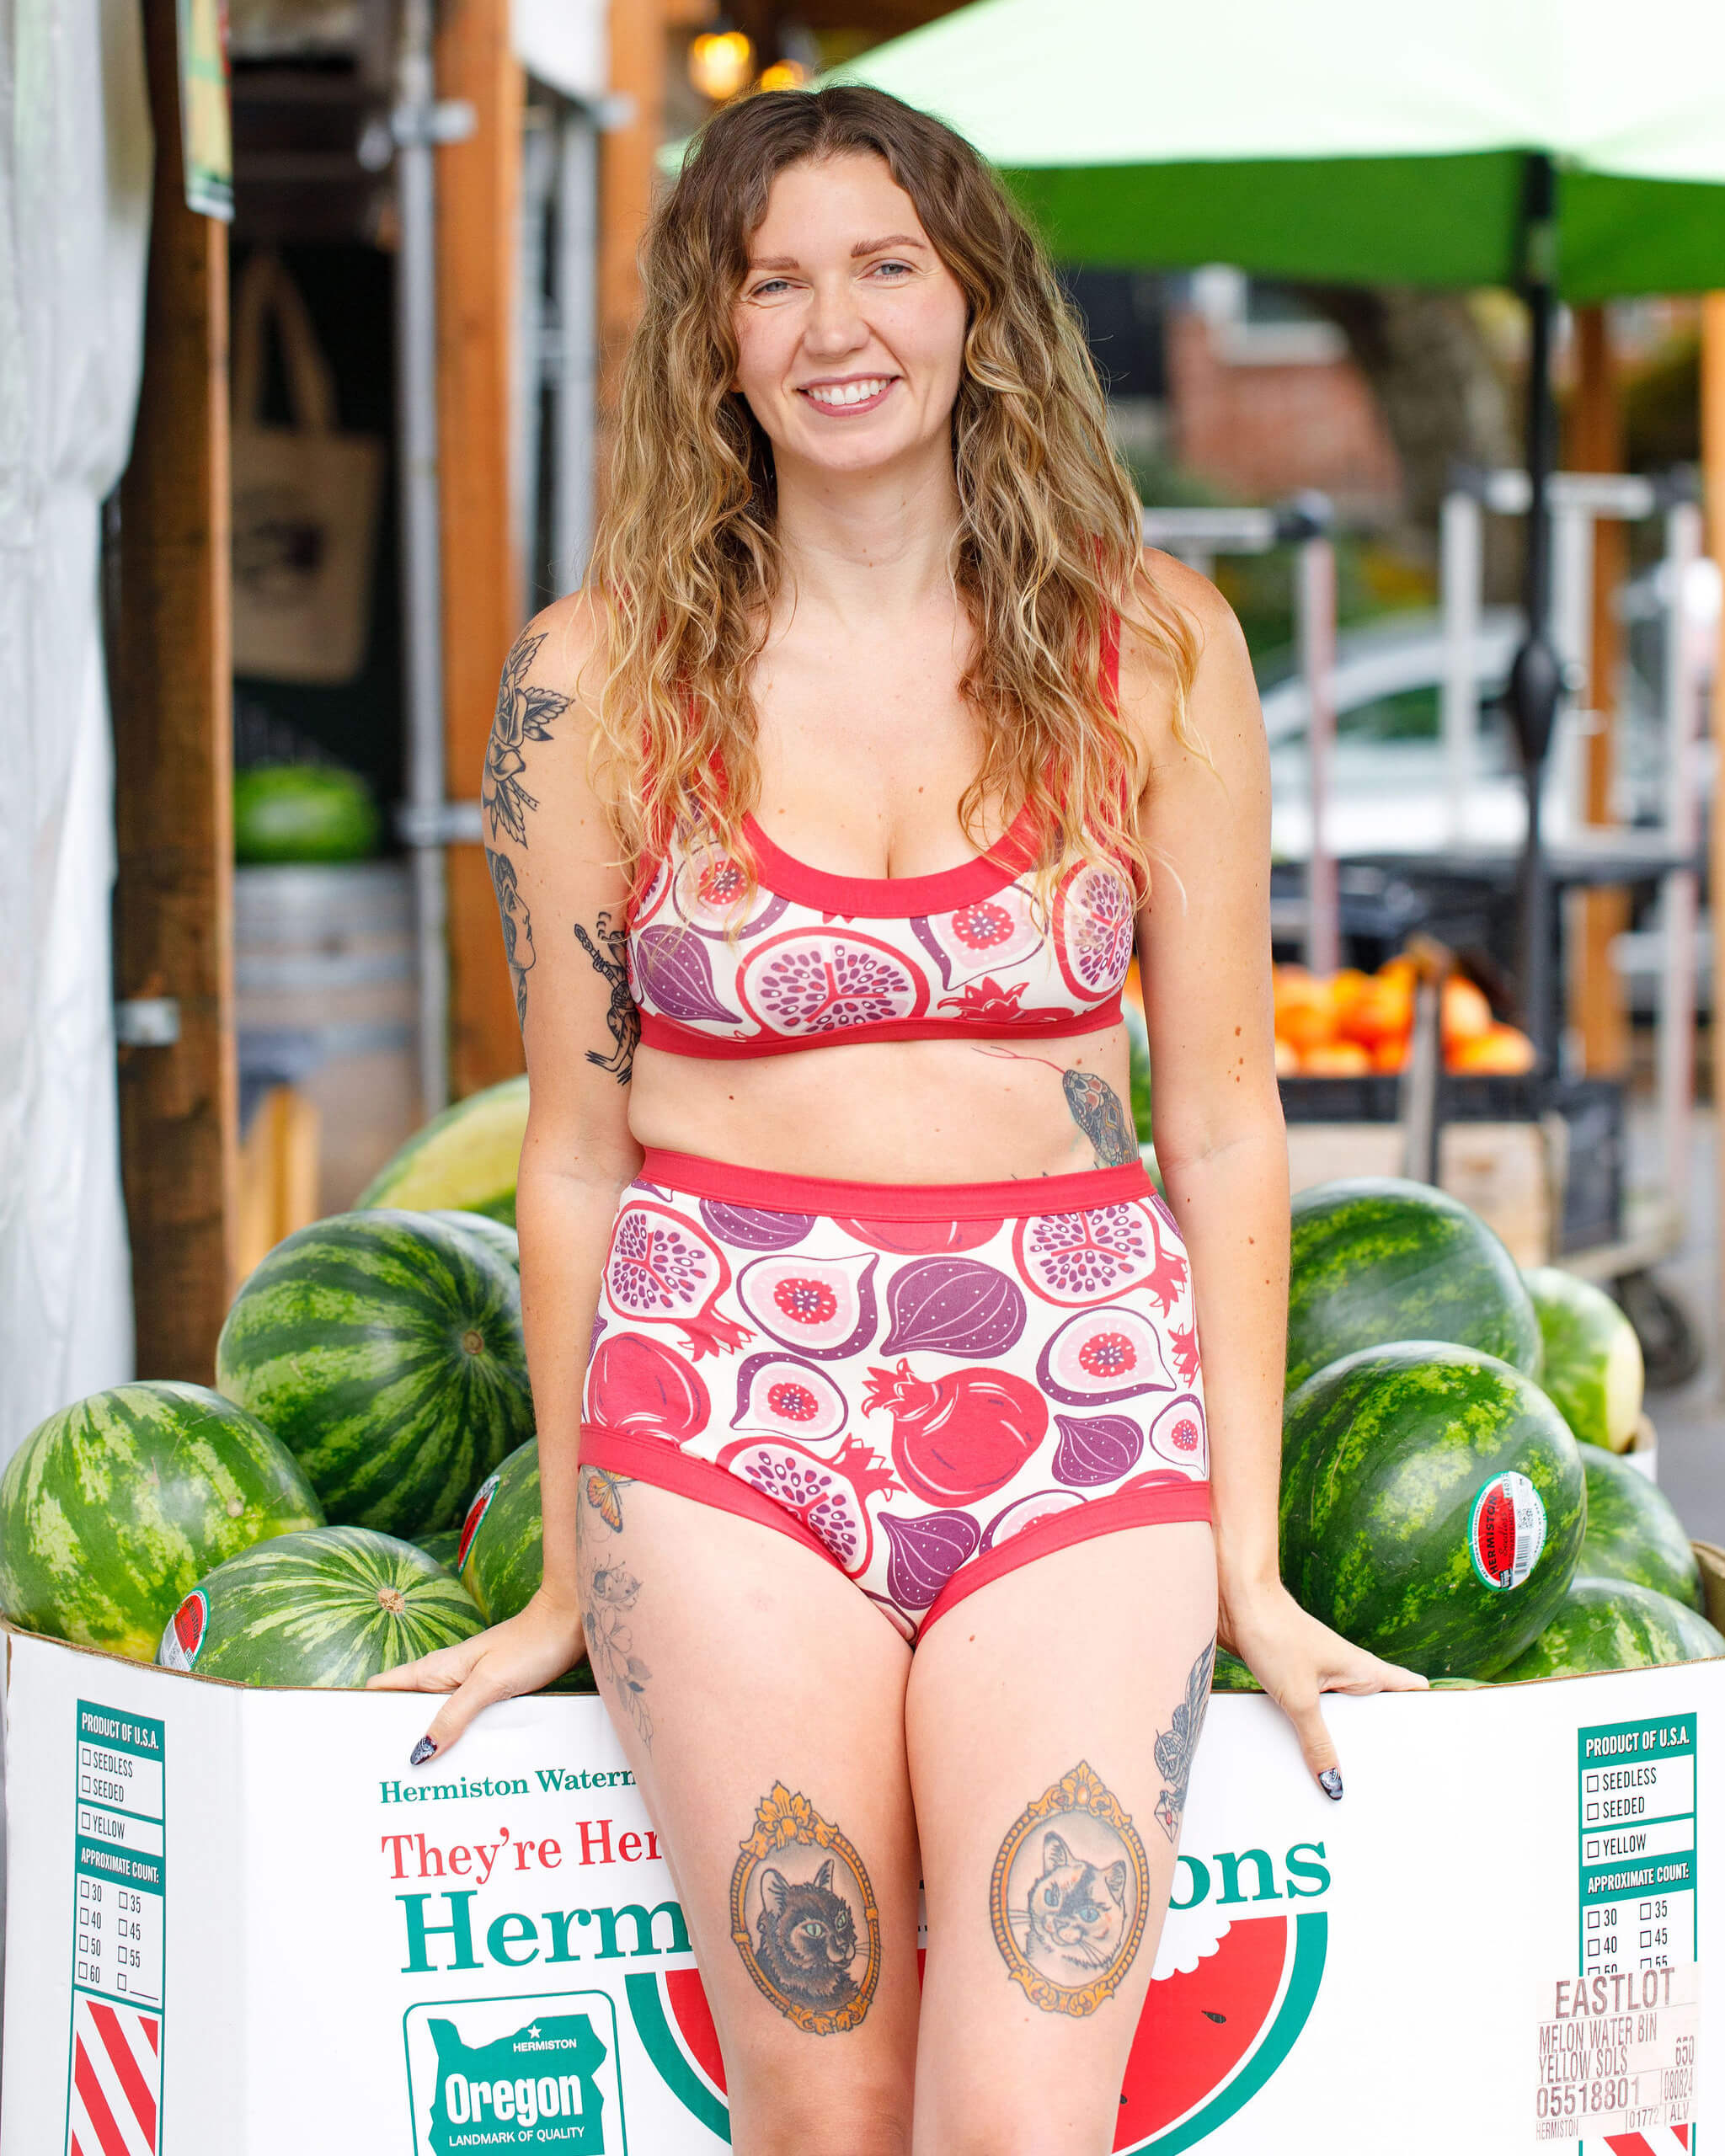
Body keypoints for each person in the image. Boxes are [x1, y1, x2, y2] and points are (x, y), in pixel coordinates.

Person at [374, 83, 1423, 2155]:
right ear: (716, 341)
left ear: (976, 308)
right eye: (772, 282)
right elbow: (572, 1147)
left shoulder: (1150, 653)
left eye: (884, 265)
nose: (831, 325)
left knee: (1025, 2111)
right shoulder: (592, 685)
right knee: (822, 2093)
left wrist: (1252, 1555)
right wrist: (572, 1572)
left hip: (1078, 1387)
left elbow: (1221, 1123)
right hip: (721, 1395)